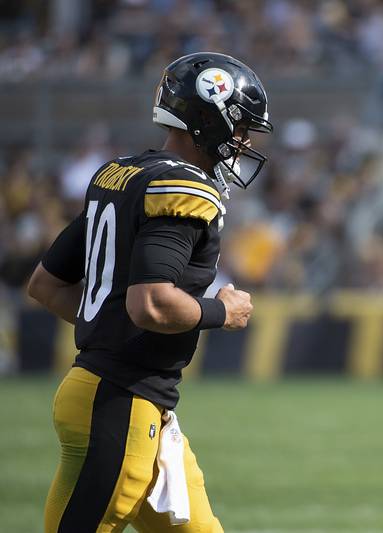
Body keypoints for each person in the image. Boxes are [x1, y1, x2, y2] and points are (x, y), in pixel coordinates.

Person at [28, 52, 273, 532]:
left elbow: (46, 285)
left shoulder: (124, 174)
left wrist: (110, 323)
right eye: (240, 128)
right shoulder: (183, 187)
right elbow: (152, 303)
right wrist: (219, 311)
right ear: (210, 120)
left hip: (129, 402)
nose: (243, 142)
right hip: (119, 403)